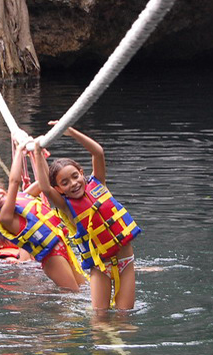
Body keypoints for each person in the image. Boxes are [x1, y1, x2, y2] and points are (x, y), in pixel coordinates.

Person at [33, 124, 141, 310]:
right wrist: (37, 152)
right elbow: (44, 188)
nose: (73, 184)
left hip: (125, 262)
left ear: (82, 173)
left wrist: (72, 132)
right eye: (65, 183)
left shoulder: (100, 184)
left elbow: (98, 152)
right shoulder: (66, 207)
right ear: (58, 189)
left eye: (75, 176)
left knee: (125, 316)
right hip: (100, 268)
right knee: (100, 319)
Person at [0, 140, 87, 291]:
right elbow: (14, 181)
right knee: (72, 294)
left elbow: (45, 181)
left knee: (83, 288)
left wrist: (38, 154)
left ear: (0, 187)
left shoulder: (23, 197)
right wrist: (19, 150)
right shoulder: (5, 216)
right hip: (51, 257)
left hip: (63, 246)